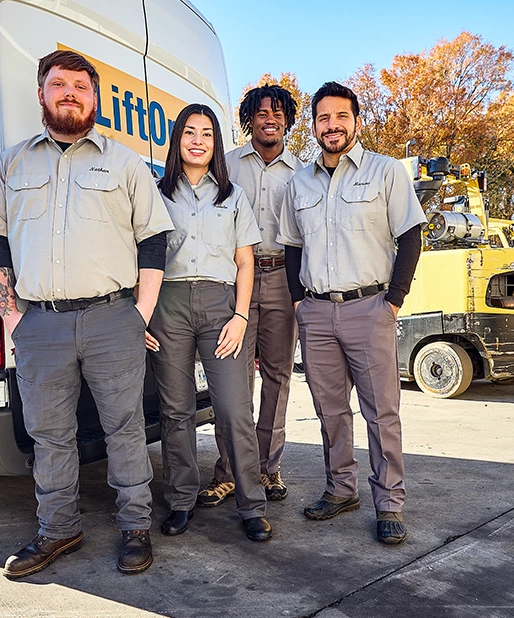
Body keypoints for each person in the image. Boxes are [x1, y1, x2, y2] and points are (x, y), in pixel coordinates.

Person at [0, 50, 174, 578]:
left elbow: (154, 240)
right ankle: (58, 529)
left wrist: (141, 314)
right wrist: (12, 317)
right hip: (38, 323)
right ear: (41, 94)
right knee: (50, 434)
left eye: (80, 86)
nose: (69, 93)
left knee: (125, 428)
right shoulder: (12, 163)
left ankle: (135, 527)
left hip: (113, 319)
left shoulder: (125, 162)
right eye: (58, 84)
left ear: (95, 97)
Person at [277, 81, 427, 545]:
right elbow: (291, 248)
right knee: (330, 411)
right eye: (323, 118)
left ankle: (389, 502)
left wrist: (393, 300)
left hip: (370, 308)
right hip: (317, 314)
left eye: (341, 116)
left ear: (356, 121)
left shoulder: (385, 173)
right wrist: (300, 302)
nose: (332, 125)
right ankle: (341, 489)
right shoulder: (298, 182)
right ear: (315, 126)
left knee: (382, 412)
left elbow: (411, 236)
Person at [148, 103, 272, 542]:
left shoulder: (232, 196)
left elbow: (245, 261)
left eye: (206, 133)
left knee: (234, 408)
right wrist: (142, 312)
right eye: (189, 132)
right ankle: (180, 501)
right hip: (169, 305)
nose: (197, 140)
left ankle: (252, 504)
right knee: (175, 409)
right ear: (177, 139)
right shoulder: (156, 193)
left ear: (216, 143)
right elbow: (140, 257)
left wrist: (240, 315)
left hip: (221, 306)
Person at [201, 85, 304, 507]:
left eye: (278, 113)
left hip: (283, 279)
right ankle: (228, 472)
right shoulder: (224, 166)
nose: (270, 119)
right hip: (236, 282)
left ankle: (268, 468)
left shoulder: (303, 173)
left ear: (288, 121)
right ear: (250, 118)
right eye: (262, 112)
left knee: (277, 379)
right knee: (234, 383)